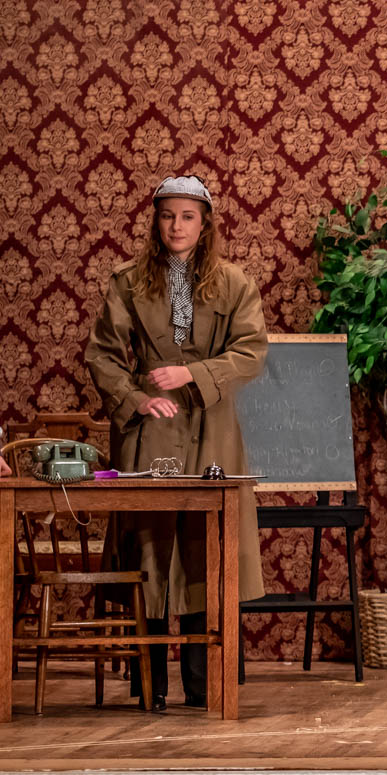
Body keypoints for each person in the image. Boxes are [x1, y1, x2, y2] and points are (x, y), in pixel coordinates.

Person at [85, 176, 268, 710]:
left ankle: (203, 683)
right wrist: (136, 399)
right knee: (150, 546)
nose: (177, 226)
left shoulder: (234, 283)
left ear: (205, 223)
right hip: (151, 428)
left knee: (204, 548)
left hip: (212, 425)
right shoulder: (128, 282)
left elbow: (251, 352)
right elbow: (102, 355)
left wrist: (194, 375)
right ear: (156, 221)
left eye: (188, 216)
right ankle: (150, 685)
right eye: (168, 216)